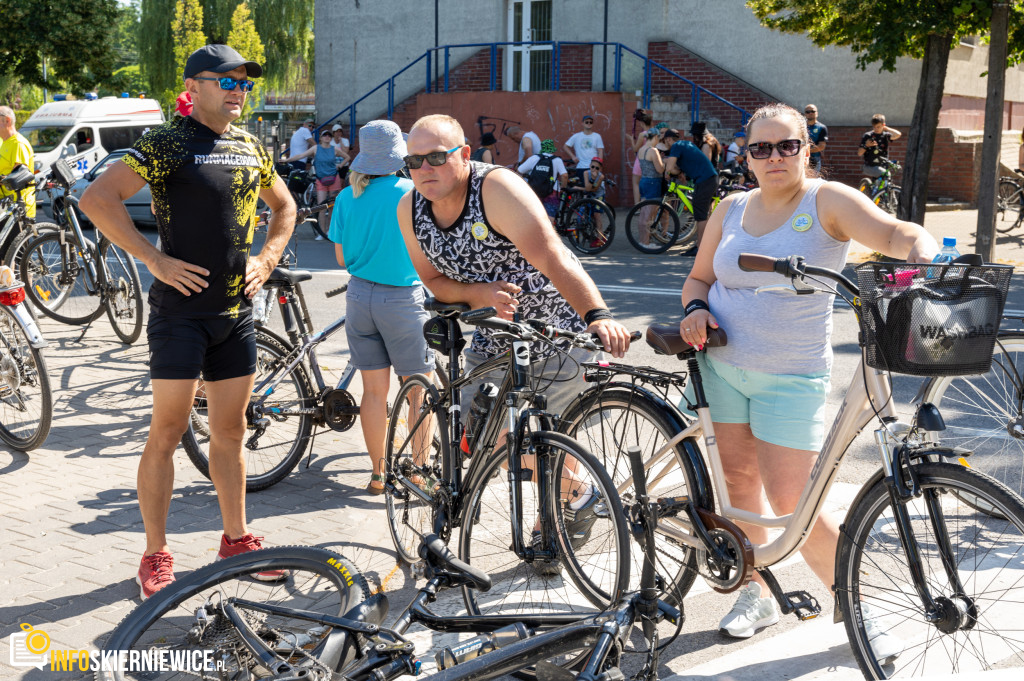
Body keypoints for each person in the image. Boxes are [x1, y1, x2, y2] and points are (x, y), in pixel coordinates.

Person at [679, 103, 937, 648]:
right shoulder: (730, 208)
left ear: (806, 148)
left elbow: (897, 233)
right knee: (739, 489)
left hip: (791, 376)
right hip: (720, 368)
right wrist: (693, 309)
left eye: (787, 146)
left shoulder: (828, 201)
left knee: (797, 500)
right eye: (761, 148)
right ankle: (756, 591)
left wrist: (922, 259)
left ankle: (858, 607)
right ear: (746, 155)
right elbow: (698, 279)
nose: (774, 157)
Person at [78, 44, 297, 601]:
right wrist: (152, 260)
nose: (237, 91)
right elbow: (97, 199)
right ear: (194, 86)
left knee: (230, 433)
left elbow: (285, 207)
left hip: (235, 317)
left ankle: (236, 540)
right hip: (181, 318)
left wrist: (266, 260)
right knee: (168, 433)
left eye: (244, 84)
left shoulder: (249, 146)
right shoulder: (167, 142)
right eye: (226, 81)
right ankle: (154, 554)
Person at [397, 113, 630, 410]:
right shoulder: (409, 209)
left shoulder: (496, 189)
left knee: (556, 450)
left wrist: (597, 315)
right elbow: (432, 280)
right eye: (414, 161)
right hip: (493, 345)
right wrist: (478, 294)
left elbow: (554, 256)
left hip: (557, 339)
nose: (424, 168)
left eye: (437, 157)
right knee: (483, 447)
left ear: (465, 154)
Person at [328, 120, 432, 494]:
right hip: (402, 298)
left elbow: (341, 258)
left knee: (373, 392)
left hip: (358, 297)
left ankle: (377, 474)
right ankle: (419, 472)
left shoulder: (346, 196)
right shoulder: (413, 192)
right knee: (418, 390)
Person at [281, 128, 351, 239]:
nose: (327, 137)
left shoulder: (334, 149)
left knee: (332, 206)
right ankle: (321, 232)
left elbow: (347, 157)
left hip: (334, 178)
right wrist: (286, 160)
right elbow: (300, 155)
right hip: (320, 179)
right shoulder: (316, 148)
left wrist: (340, 165)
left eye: (329, 135)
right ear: (321, 138)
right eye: (325, 135)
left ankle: (330, 231)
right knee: (321, 207)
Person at [664, 128, 718, 256]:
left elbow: (670, 169)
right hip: (710, 178)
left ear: (668, 139)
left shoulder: (676, 146)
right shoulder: (686, 144)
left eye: (665, 141)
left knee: (701, 216)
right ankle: (706, 245)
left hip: (704, 180)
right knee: (704, 213)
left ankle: (700, 248)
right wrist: (679, 171)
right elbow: (679, 168)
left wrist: (667, 170)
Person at [517, 138, 568, 223]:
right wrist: (563, 188)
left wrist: (524, 186)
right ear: (552, 149)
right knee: (549, 218)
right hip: (553, 192)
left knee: (534, 216)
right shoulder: (557, 160)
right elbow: (565, 175)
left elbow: (519, 171)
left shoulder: (534, 158)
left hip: (534, 191)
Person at [0, 106, 35, 219]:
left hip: (18, 210)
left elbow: (19, 178)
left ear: (7, 120)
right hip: (6, 206)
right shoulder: (5, 142)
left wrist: (2, 179)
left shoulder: (18, 144)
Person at [637, 128, 669, 245]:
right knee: (649, 216)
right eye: (658, 138)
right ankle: (646, 243)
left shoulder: (641, 149)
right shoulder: (653, 150)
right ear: (655, 137)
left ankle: (642, 240)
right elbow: (659, 169)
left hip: (643, 181)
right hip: (653, 183)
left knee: (643, 214)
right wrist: (664, 162)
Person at [858, 114, 901, 178]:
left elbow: (898, 134)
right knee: (886, 175)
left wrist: (887, 128)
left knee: (884, 182)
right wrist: (866, 145)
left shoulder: (885, 135)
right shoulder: (868, 135)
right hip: (869, 166)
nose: (876, 129)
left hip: (883, 166)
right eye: (874, 127)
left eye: (878, 127)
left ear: (883, 125)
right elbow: (859, 153)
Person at [563, 115, 604, 180]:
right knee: (582, 187)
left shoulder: (597, 136)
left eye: (591, 122)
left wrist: (599, 165)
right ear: (582, 123)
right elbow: (565, 146)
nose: (589, 124)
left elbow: (600, 151)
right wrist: (573, 156)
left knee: (593, 188)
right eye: (586, 122)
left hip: (593, 167)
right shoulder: (576, 136)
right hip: (581, 166)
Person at [627, 109, 654, 203]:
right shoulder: (654, 133)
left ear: (642, 123)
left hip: (640, 161)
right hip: (651, 161)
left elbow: (635, 149)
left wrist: (631, 140)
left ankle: (637, 206)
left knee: (636, 184)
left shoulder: (642, 134)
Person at [803, 104, 828, 174]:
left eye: (812, 111)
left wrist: (805, 151)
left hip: (814, 159)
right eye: (808, 112)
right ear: (805, 114)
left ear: (816, 113)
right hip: (801, 158)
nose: (810, 113)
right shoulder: (800, 127)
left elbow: (821, 146)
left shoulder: (821, 128)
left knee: (813, 178)